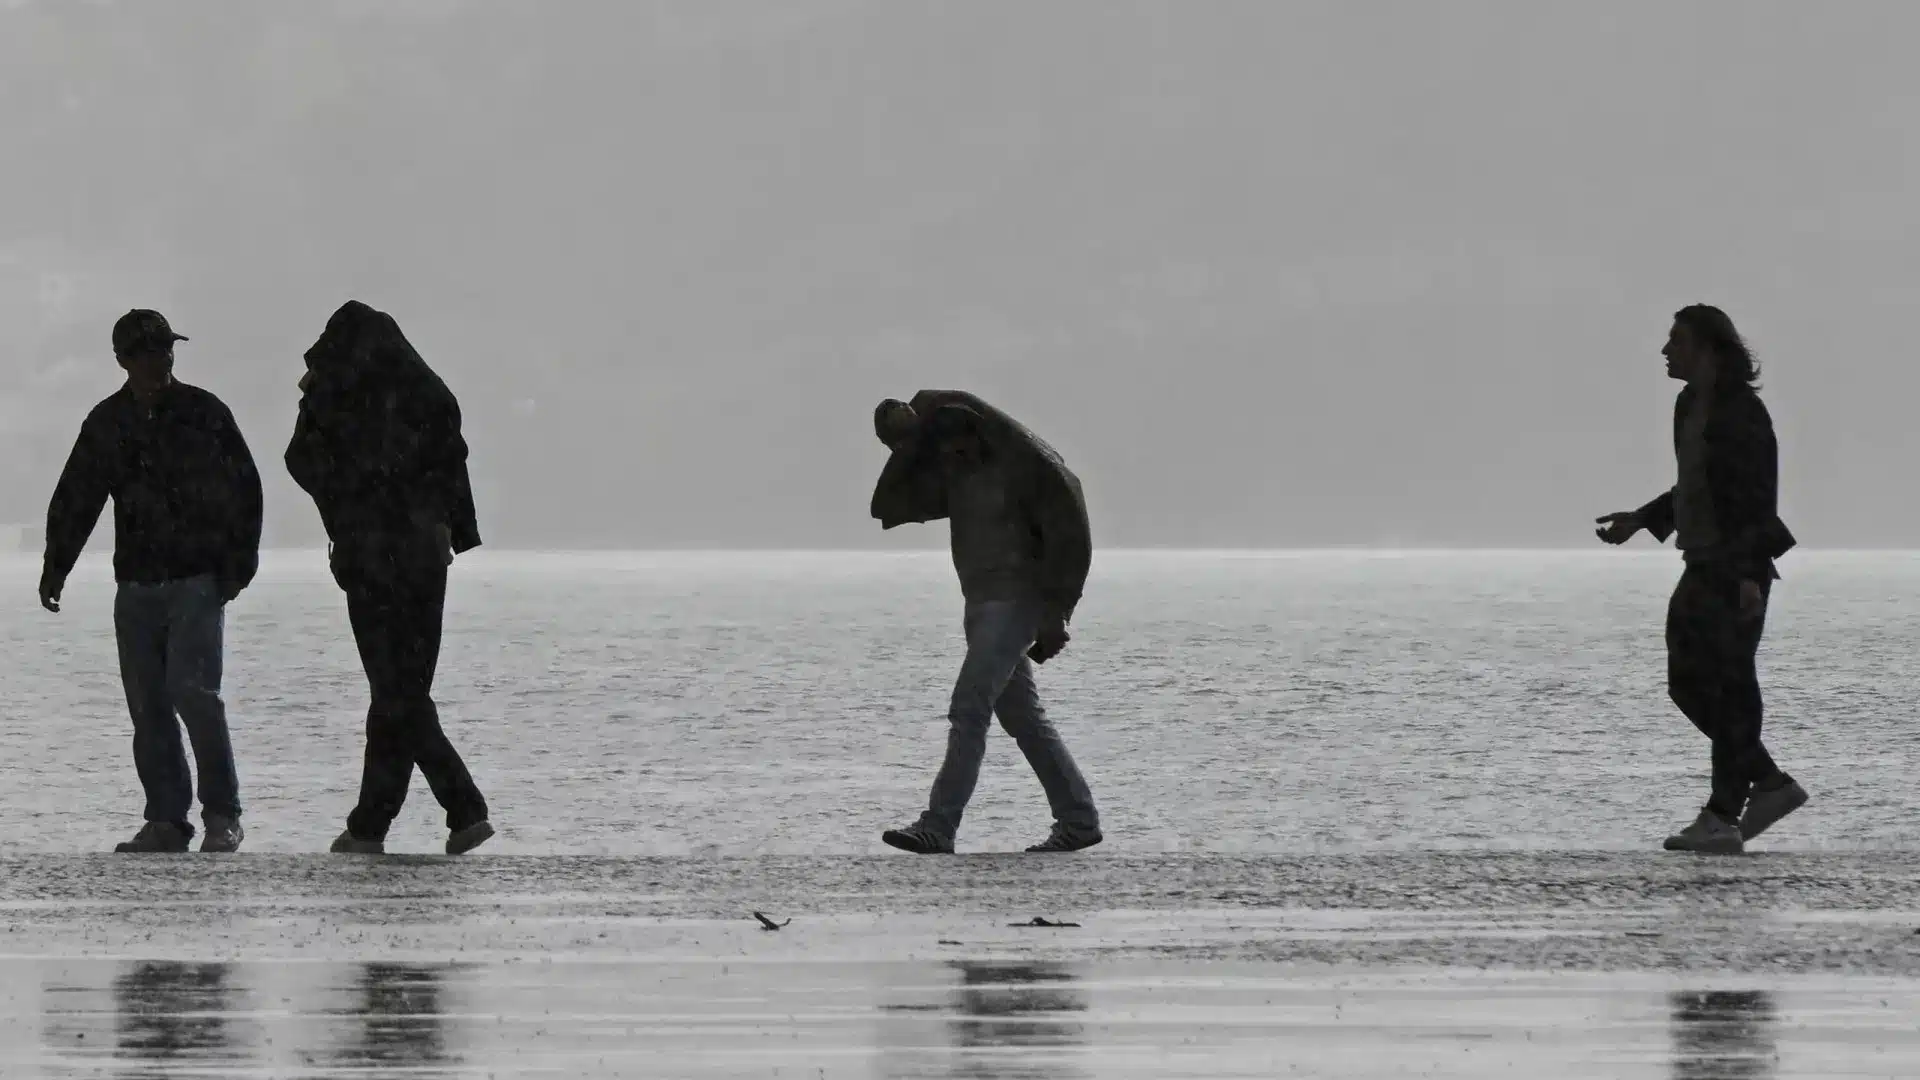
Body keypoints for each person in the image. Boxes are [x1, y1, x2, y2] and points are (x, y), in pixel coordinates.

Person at [40, 309, 261, 853]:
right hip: (136, 584)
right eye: (150, 351)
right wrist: (56, 566)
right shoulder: (107, 421)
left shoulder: (204, 412)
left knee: (194, 693)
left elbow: (244, 488)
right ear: (123, 360)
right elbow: (77, 496)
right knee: (148, 705)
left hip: (197, 579)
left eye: (166, 349)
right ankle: (167, 820)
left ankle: (222, 815)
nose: (161, 360)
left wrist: (237, 565)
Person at [285, 300, 494, 856]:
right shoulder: (427, 391)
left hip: (368, 553)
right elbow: (452, 463)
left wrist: (342, 506)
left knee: (394, 690)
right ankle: (371, 826)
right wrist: (453, 528)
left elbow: (300, 457)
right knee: (403, 690)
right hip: (424, 553)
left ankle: (462, 806)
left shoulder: (333, 391)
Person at [1595, 305, 1803, 854]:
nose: (1666, 351)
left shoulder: (1742, 413)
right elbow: (1694, 485)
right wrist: (1642, 519)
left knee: (1732, 685)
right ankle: (1766, 786)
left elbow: (1755, 498)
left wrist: (1750, 576)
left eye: (1677, 341)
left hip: (1734, 568)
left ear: (1709, 350)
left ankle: (1724, 814)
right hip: (1703, 560)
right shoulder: (1689, 405)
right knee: (1688, 683)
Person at [870, 390, 1102, 854]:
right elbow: (888, 505)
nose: (956, 451)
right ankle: (1078, 819)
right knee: (1023, 717)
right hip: (979, 608)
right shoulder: (954, 481)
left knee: (969, 706)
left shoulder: (1015, 475)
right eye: (945, 445)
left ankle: (939, 825)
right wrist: (908, 434)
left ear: (979, 434)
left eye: (962, 440)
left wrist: (1057, 612)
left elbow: (1068, 532)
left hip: (1015, 604)